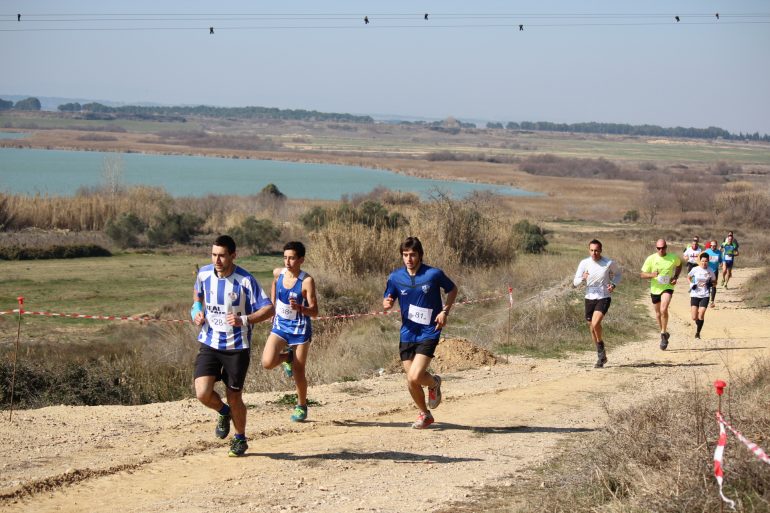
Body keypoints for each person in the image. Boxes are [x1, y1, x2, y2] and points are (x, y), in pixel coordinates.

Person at [191, 235, 274, 457]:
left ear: (233, 256)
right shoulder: (204, 274)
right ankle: (223, 411)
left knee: (234, 395)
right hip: (209, 341)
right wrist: (196, 312)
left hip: (237, 347)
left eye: (222, 255)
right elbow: (197, 296)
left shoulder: (245, 280)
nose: (217, 260)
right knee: (202, 393)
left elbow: (268, 309)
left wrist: (244, 320)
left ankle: (240, 438)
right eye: (214, 254)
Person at [383, 236, 457, 429]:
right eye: (405, 255)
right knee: (411, 380)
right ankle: (425, 413)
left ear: (420, 255)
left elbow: (452, 289)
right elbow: (388, 296)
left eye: (413, 255)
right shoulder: (395, 277)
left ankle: (433, 384)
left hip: (429, 331)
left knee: (415, 376)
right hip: (407, 333)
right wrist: (387, 303)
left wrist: (444, 311)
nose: (409, 259)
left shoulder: (433, 274)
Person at [261, 241, 318, 422]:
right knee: (267, 362)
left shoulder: (306, 281)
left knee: (299, 371)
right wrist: (272, 304)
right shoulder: (279, 273)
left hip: (300, 330)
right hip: (280, 326)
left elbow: (315, 311)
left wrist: (301, 308)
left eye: (292, 258)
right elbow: (274, 282)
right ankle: (287, 357)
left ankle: (301, 405)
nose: (287, 262)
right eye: (285, 257)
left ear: (301, 259)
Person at [573, 239, 622, 368]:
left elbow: (618, 274)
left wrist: (613, 284)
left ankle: (601, 351)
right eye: (592, 250)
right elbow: (575, 282)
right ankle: (601, 354)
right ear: (589, 250)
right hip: (589, 297)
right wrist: (583, 277)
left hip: (604, 296)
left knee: (595, 323)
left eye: (597, 250)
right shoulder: (584, 263)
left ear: (601, 250)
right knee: (592, 327)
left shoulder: (608, 263)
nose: (594, 253)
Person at [640, 238, 682, 350]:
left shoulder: (673, 257)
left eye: (663, 248)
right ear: (656, 248)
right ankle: (663, 332)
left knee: (664, 309)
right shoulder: (651, 258)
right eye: (659, 248)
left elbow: (679, 264)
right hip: (655, 289)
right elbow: (642, 274)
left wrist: (676, 277)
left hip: (667, 287)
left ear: (666, 247)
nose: (661, 250)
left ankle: (663, 334)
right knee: (658, 314)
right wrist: (652, 275)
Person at [688, 252, 716, 339]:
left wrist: (710, 284)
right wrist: (692, 284)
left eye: (706, 261)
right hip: (695, 294)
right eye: (702, 261)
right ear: (700, 261)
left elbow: (715, 282)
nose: (704, 263)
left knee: (701, 315)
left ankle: (698, 333)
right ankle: (698, 323)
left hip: (705, 294)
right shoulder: (695, 269)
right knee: (694, 317)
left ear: (708, 262)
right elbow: (689, 277)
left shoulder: (710, 270)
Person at [703, 240, 722, 307]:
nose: (713, 247)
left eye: (715, 245)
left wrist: (721, 263)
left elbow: (720, 261)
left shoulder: (719, 252)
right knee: (707, 285)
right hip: (707, 271)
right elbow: (701, 260)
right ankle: (706, 300)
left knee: (714, 285)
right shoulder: (707, 252)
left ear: (716, 245)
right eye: (712, 245)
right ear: (710, 245)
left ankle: (712, 301)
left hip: (715, 271)